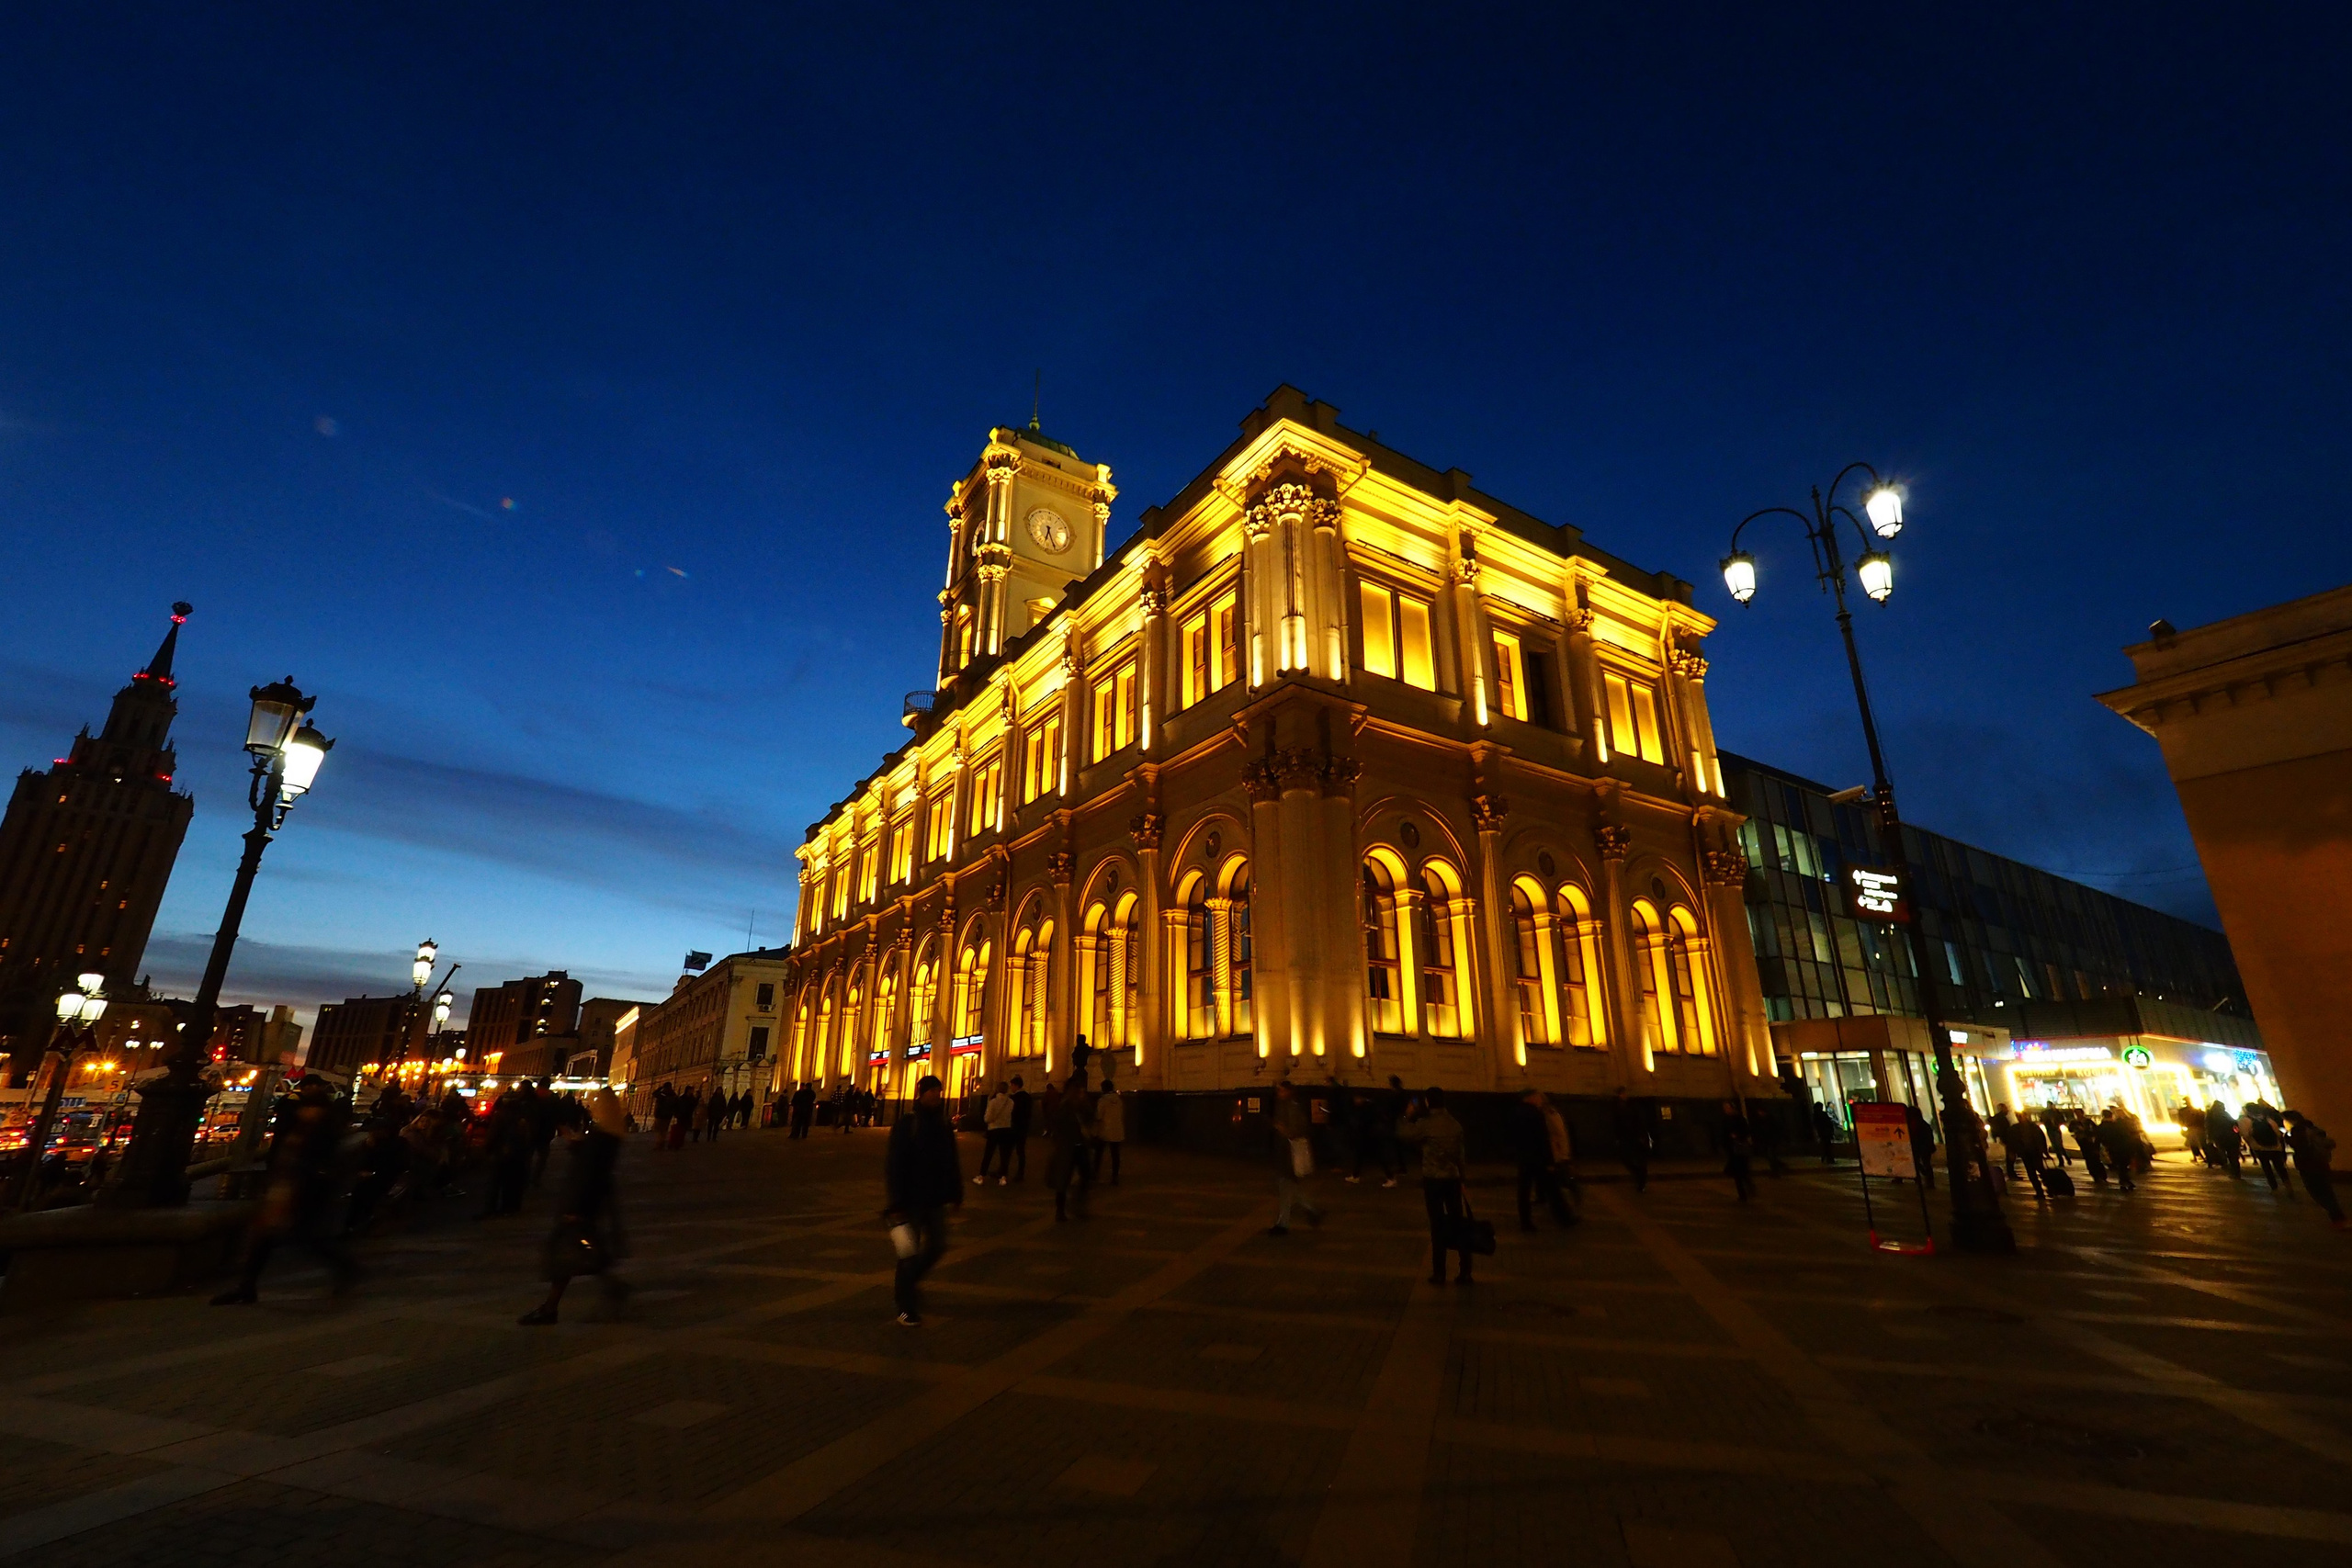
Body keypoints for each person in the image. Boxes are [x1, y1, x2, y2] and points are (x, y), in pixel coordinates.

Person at [212, 1079, 358, 1305]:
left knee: (304, 1237)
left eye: (309, 1108)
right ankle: (247, 1286)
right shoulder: (303, 1129)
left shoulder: (324, 1135)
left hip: (305, 1192)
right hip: (286, 1189)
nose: (304, 1112)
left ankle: (346, 1267)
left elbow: (320, 1165)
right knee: (265, 1238)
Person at [519, 1089, 630, 1325]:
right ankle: (612, 1288)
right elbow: (593, 1164)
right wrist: (574, 1143)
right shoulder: (612, 1135)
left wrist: (574, 1209)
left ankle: (550, 1309)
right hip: (592, 1203)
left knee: (564, 1257)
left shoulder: (600, 1138)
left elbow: (587, 1172)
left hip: (580, 1205)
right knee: (584, 1253)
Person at [884, 1074, 963, 1325]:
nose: (937, 1096)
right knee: (908, 1254)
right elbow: (894, 1163)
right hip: (909, 1201)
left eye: (939, 1092)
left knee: (939, 1245)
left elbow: (951, 1160)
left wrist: (956, 1191)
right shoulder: (908, 1124)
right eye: (932, 1092)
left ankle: (910, 1284)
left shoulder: (943, 1125)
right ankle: (905, 1307)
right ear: (922, 1093)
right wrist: (896, 1202)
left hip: (935, 1198)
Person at [1399, 1086, 1473, 1286]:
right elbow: (1461, 1156)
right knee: (1458, 1224)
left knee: (1437, 1225)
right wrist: (1463, 1180)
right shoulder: (1455, 1125)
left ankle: (1439, 1273)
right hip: (1452, 1179)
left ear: (1427, 1102)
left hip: (1433, 1180)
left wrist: (1407, 1116)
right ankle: (1465, 1270)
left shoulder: (1426, 1124)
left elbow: (1404, 1134)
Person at [1510, 1088, 1575, 1229]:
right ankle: (1564, 1218)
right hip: (1539, 1160)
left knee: (1524, 1191)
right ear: (1530, 1097)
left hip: (1524, 1158)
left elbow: (1513, 1137)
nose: (1539, 1099)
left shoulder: (1516, 1112)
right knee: (1552, 1190)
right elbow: (1542, 1139)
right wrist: (1549, 1162)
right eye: (1537, 1097)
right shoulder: (1536, 1114)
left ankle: (1525, 1222)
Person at [1266, 1079, 1322, 1235]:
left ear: (1288, 1092)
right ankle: (1311, 1211)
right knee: (1290, 1189)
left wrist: (1282, 1129)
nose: (1279, 1093)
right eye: (1278, 1090)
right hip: (1283, 1154)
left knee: (1285, 1189)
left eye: (1282, 1090)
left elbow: (1297, 1129)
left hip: (1289, 1155)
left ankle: (1283, 1224)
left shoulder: (1291, 1107)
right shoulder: (1282, 1106)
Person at [2283, 1111, 2346, 1226]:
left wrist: (2287, 1138)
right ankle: (2338, 1217)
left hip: (2308, 1165)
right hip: (2321, 1163)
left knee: (2318, 1192)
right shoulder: (2312, 1127)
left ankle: (2338, 1218)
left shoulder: (2298, 1131)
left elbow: (2301, 1148)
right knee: (2327, 1191)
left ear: (2290, 1120)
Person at [1046, 1075, 1094, 1222]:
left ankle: (1077, 1205)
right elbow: (1058, 1125)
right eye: (1077, 1089)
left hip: (1079, 1146)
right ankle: (1060, 1211)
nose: (1079, 1092)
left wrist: (1084, 1102)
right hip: (1067, 1147)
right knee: (1063, 1180)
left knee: (1086, 1176)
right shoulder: (1064, 1106)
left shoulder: (1081, 1105)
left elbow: (1089, 1117)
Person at [1611, 1088, 1652, 1192]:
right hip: (1628, 1137)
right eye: (1621, 1094)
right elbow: (1617, 1124)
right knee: (1627, 1158)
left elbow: (1638, 1122)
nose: (1622, 1096)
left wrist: (1640, 1136)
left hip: (1635, 1137)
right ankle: (1639, 1178)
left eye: (1623, 1094)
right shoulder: (1618, 1107)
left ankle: (1641, 1182)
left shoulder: (1631, 1107)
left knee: (1639, 1161)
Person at [977, 1081, 1015, 1184]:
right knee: (1004, 1154)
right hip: (1006, 1129)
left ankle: (981, 1175)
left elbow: (988, 1118)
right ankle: (1003, 1177)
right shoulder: (1011, 1102)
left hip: (994, 1130)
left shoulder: (993, 1102)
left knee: (988, 1154)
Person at [2246, 1106, 2290, 1191]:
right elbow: (2278, 1133)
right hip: (2275, 1148)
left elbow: (2246, 1135)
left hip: (2261, 1149)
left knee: (2267, 1168)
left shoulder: (2249, 1122)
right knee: (2280, 1168)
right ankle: (2288, 1185)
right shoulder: (2270, 1121)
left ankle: (2274, 1187)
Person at [1722, 1100, 1758, 1201]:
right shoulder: (1725, 1119)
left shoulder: (1739, 1118)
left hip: (1740, 1149)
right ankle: (1742, 1194)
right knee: (1737, 1174)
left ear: (1733, 1108)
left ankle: (1747, 1188)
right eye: (1725, 1108)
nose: (1726, 1110)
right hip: (1732, 1149)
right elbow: (1723, 1133)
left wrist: (1737, 1135)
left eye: (1728, 1108)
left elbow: (1746, 1131)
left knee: (1742, 1172)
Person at [2097, 1108, 2139, 1193]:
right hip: (2122, 1148)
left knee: (2120, 1166)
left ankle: (2124, 1181)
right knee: (2123, 1165)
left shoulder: (2101, 1127)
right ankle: (2124, 1181)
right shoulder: (2117, 1126)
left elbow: (2098, 1139)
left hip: (2112, 1149)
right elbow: (2126, 1136)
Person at [1092, 1079, 1125, 1184]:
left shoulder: (1103, 1100)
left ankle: (1095, 1174)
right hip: (1117, 1130)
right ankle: (1115, 1176)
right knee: (1115, 1155)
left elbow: (1098, 1116)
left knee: (1098, 1153)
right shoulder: (1119, 1099)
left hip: (1105, 1131)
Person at [1902, 1102, 1936, 1189]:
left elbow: (1925, 1137)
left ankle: (1927, 1180)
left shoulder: (1920, 1125)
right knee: (1919, 1162)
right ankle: (1923, 1178)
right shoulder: (1919, 1124)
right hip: (1920, 1146)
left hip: (1922, 1147)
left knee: (1924, 1163)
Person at [2206, 1098, 2243, 1177]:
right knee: (2233, 1156)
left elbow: (2208, 1127)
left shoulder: (2211, 1115)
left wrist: (2210, 1137)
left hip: (2220, 1138)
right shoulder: (2225, 1114)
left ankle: (2228, 1167)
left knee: (2224, 1153)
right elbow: (2234, 1123)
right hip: (2231, 1137)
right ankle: (2236, 1172)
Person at [1007, 1075, 1033, 1181]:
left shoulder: (1014, 1098)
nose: (1011, 1088)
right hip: (1024, 1127)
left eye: (1012, 1085)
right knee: (1021, 1151)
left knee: (1008, 1150)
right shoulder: (1028, 1097)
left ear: (1015, 1085)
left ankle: (1003, 1171)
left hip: (1014, 1127)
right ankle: (1020, 1172)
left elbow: (1011, 1113)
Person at [2176, 1100, 2208, 1167]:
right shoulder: (2190, 1110)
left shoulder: (2186, 1111)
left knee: (2194, 1143)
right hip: (2192, 1128)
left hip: (2192, 1128)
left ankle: (2201, 1156)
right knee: (2195, 1143)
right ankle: (2200, 1156)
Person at [1811, 1101, 1840, 1166]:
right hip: (1826, 1132)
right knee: (1828, 1146)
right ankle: (1829, 1159)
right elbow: (1828, 1123)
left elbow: (1815, 1124)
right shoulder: (1823, 1114)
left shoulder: (1815, 1115)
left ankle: (1825, 1158)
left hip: (1822, 1132)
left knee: (1825, 1146)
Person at [650, 1082, 675, 1149]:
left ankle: (659, 1144)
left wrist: (660, 1088)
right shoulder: (673, 1094)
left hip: (660, 1115)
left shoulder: (662, 1094)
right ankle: (662, 1144)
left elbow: (654, 1094)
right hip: (668, 1116)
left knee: (659, 1131)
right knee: (664, 1131)